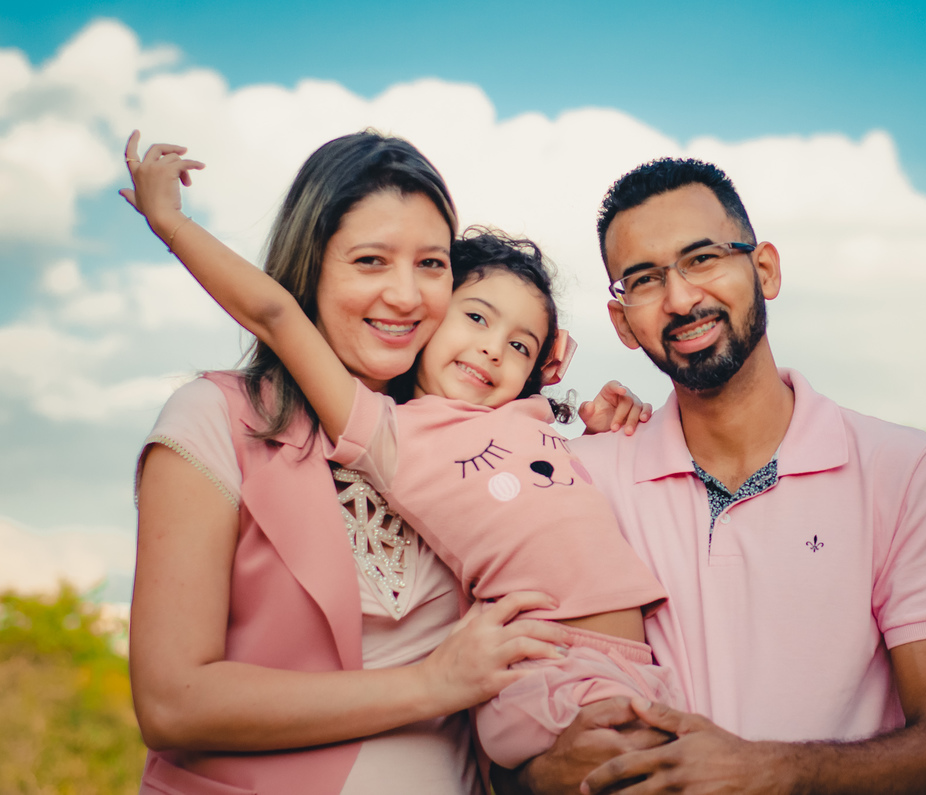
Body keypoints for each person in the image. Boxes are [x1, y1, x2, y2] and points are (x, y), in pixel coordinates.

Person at [123, 134, 684, 778]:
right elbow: (171, 704)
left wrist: (590, 410)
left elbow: (548, 499)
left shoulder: (499, 419)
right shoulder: (248, 422)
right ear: (313, 263)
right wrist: (431, 684)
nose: (406, 296)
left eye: (431, 265)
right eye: (369, 261)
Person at [510, 158, 926, 794]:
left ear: (765, 269)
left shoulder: (903, 471)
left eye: (703, 258)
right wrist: (541, 771)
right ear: (622, 323)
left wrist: (769, 771)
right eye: (645, 279)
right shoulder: (584, 479)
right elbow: (515, 756)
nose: (681, 298)